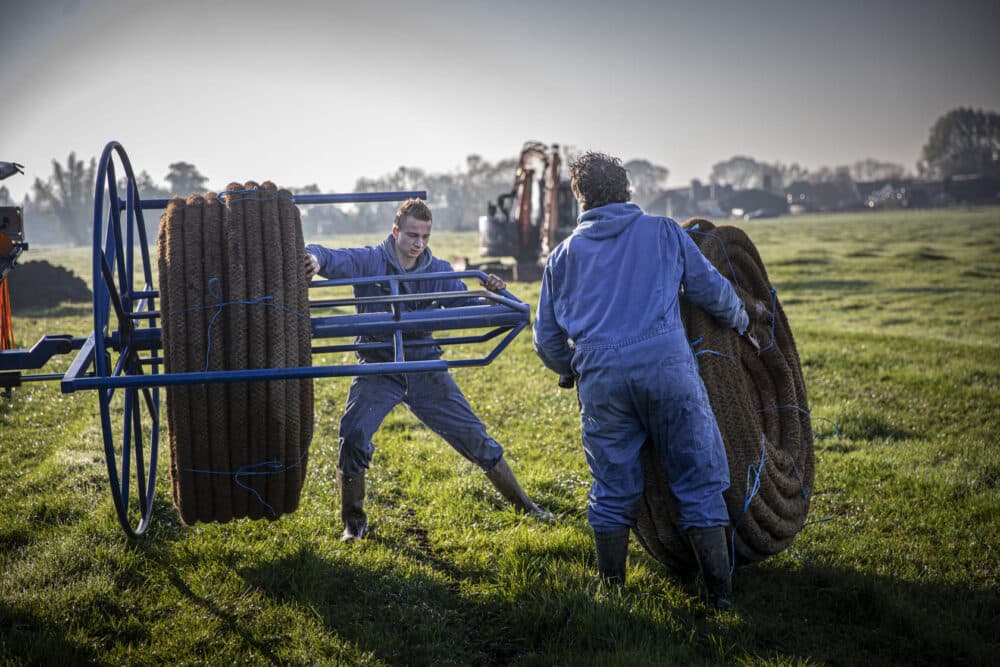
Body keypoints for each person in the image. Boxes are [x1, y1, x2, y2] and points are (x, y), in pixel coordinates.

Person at [532, 152, 750, 608]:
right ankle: (723, 596)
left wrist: (570, 370)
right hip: (668, 372)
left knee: (612, 486)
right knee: (697, 477)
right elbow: (711, 291)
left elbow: (547, 341)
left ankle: (612, 592)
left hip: (601, 382)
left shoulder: (561, 258)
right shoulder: (664, 232)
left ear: (580, 198)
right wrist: (744, 320)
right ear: (628, 190)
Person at [305, 198, 550, 542]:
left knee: (474, 436)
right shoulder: (370, 261)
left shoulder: (436, 270)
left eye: (424, 236)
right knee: (354, 435)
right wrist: (314, 258)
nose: (418, 243)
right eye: (411, 235)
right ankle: (354, 523)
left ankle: (527, 507)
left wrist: (496, 295)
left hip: (423, 365)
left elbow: (464, 302)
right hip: (379, 366)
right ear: (395, 232)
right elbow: (330, 256)